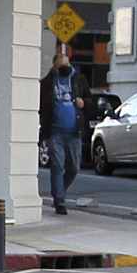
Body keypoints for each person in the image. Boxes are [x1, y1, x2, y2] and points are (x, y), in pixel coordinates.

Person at [43, 44, 87, 216]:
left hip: (74, 131)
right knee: (57, 165)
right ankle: (59, 201)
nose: (66, 68)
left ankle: (58, 191)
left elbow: (89, 98)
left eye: (68, 64)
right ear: (55, 66)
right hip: (55, 131)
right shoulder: (47, 83)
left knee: (74, 167)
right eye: (63, 65)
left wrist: (84, 103)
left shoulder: (78, 79)